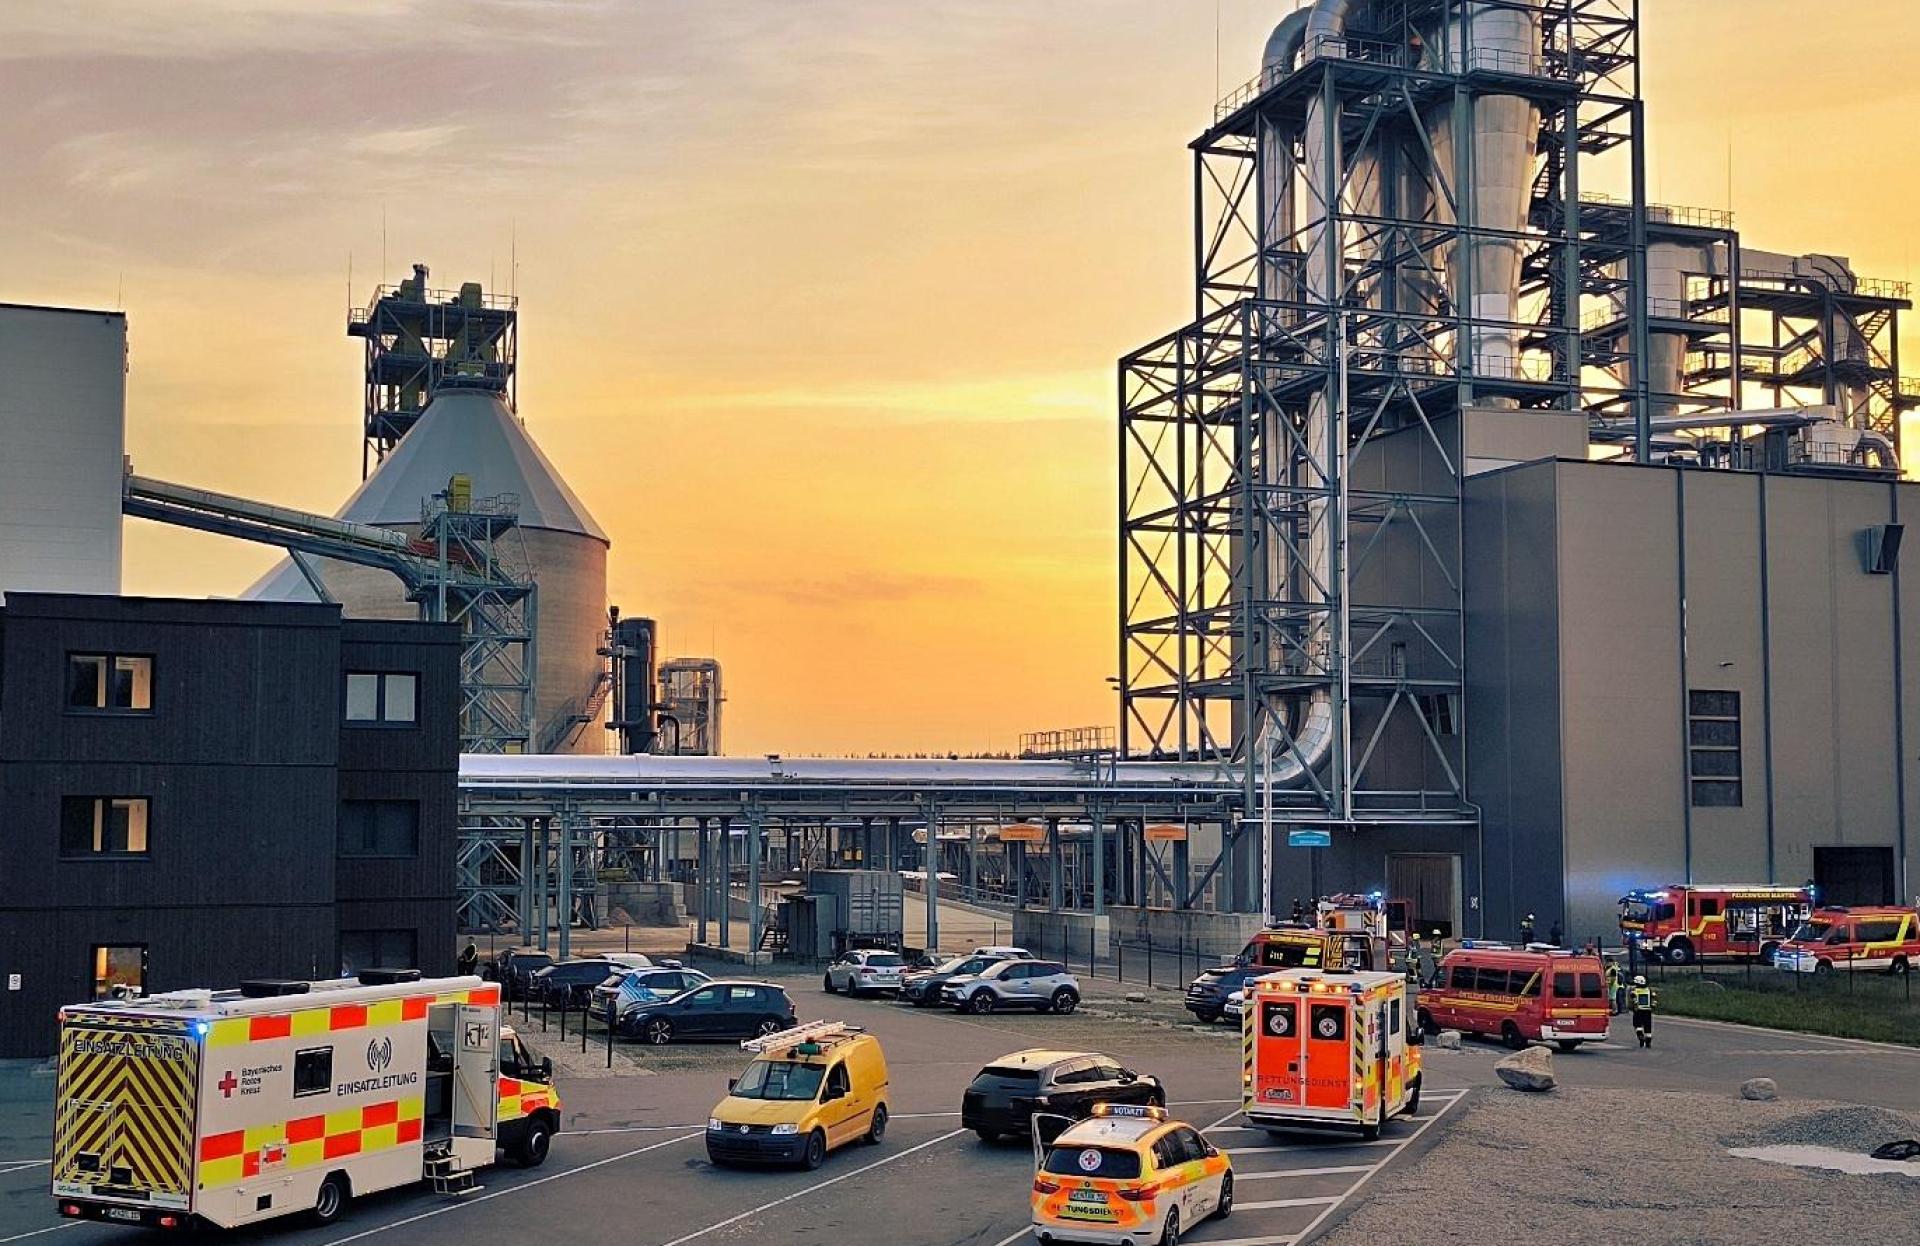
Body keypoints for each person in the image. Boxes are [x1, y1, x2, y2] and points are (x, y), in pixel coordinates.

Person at [1630, 975, 1657, 1048]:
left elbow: (1633, 1000)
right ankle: (1648, 1042)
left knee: (1637, 1025)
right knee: (1648, 1027)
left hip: (1638, 1011)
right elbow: (1654, 999)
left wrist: (1634, 1006)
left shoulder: (1634, 990)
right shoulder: (1649, 990)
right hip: (1648, 1011)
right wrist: (1653, 1006)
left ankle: (1641, 1037)